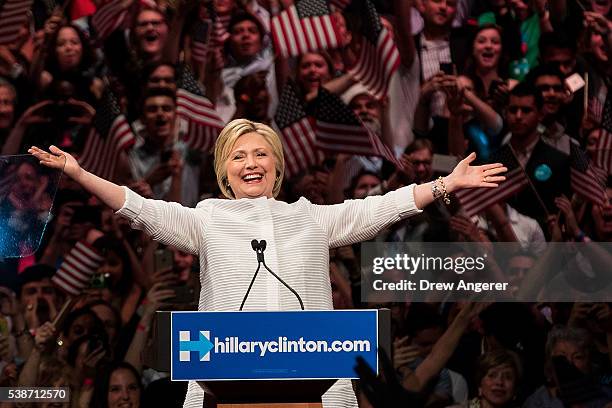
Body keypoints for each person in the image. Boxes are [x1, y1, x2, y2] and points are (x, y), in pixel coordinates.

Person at [28, 118, 506, 407]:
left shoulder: (310, 217)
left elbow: (377, 208)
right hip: (225, 373)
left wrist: (445, 185)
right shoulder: (208, 217)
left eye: (261, 153)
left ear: (277, 166)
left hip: (313, 371)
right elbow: (141, 209)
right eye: (238, 155)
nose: (251, 161)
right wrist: (78, 172)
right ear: (224, 170)